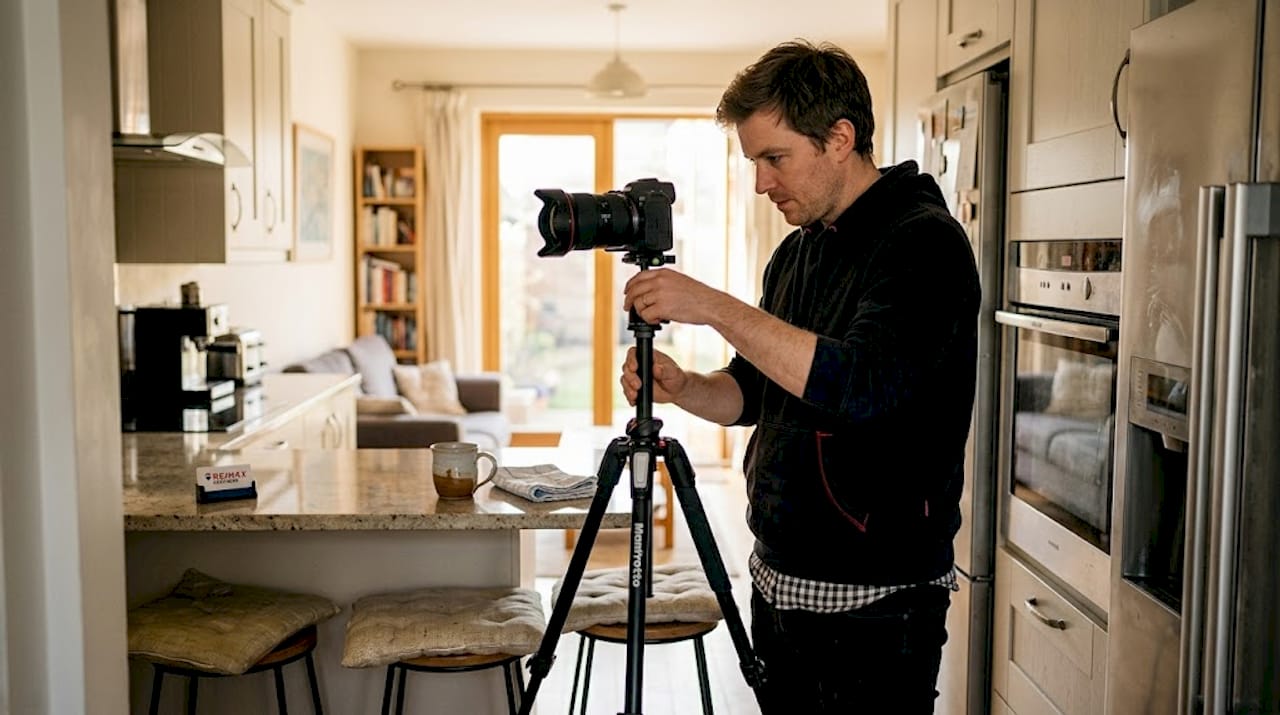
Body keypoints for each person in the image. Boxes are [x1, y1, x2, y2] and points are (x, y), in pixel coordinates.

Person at [619, 40, 979, 713]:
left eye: (774, 158)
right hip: (779, 583)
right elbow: (754, 391)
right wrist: (684, 386)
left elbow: (857, 384)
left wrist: (712, 306)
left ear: (839, 138)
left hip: (876, 607)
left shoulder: (923, 244)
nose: (761, 183)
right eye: (755, 161)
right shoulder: (798, 252)